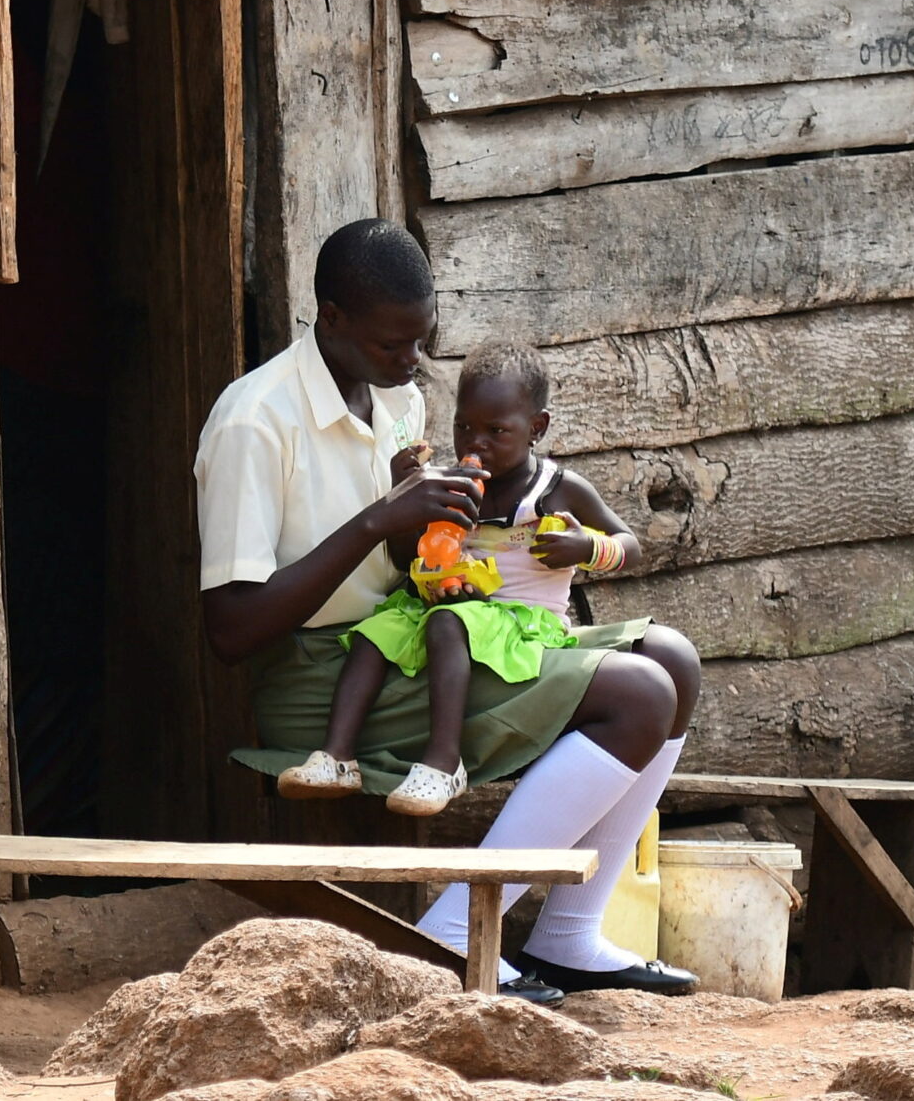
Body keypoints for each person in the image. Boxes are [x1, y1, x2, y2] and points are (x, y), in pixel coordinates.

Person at [195, 219, 701, 1002]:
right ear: (331, 319)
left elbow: (412, 560)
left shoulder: (396, 401)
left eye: (422, 341)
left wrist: (452, 546)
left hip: (421, 640)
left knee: (675, 660)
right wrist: (377, 521)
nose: (414, 364)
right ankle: (457, 933)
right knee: (640, 695)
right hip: (326, 676)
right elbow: (230, 632)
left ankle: (567, 935)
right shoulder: (254, 420)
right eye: (395, 345)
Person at [276, 341, 646, 819]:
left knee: (448, 623)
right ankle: (337, 757)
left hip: (523, 620)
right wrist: (401, 496)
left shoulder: (557, 490)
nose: (476, 443)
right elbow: (404, 554)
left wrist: (587, 549)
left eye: (496, 430)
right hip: (452, 606)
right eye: (464, 426)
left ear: (537, 428)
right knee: (375, 631)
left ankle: (443, 764)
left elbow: (631, 545)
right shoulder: (450, 484)